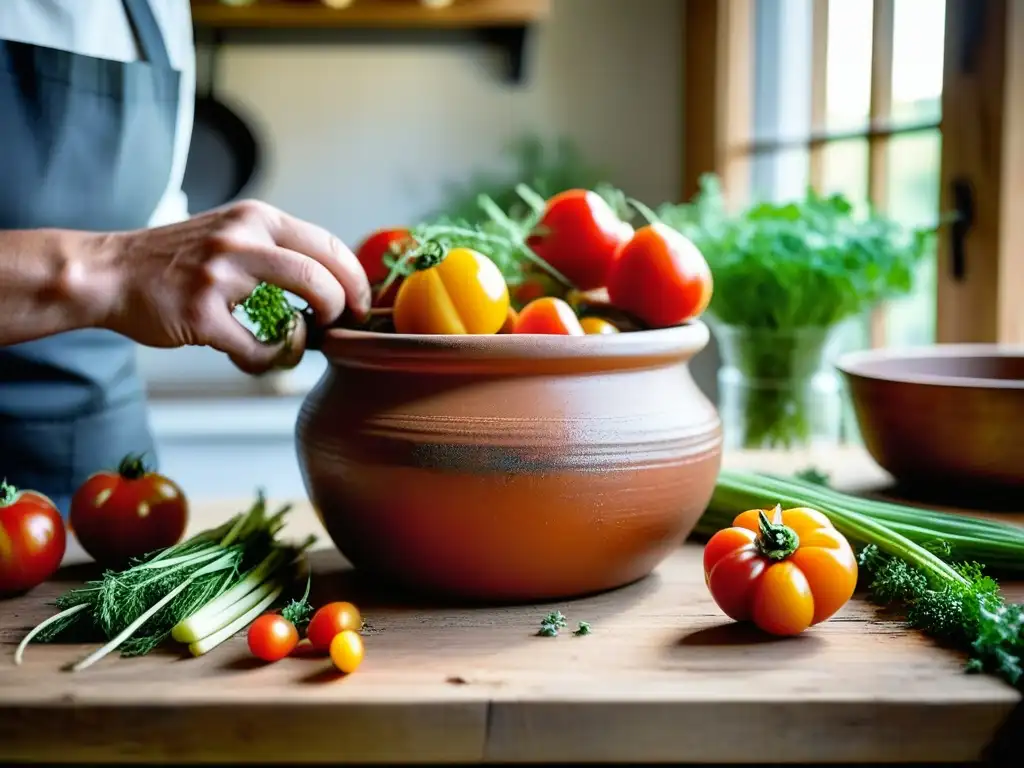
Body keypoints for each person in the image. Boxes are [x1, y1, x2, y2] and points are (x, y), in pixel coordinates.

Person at [0, 1, 370, 513]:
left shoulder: (158, 9)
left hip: (108, 488)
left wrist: (257, 305)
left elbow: (156, 229)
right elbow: (134, 260)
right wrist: (113, 270)